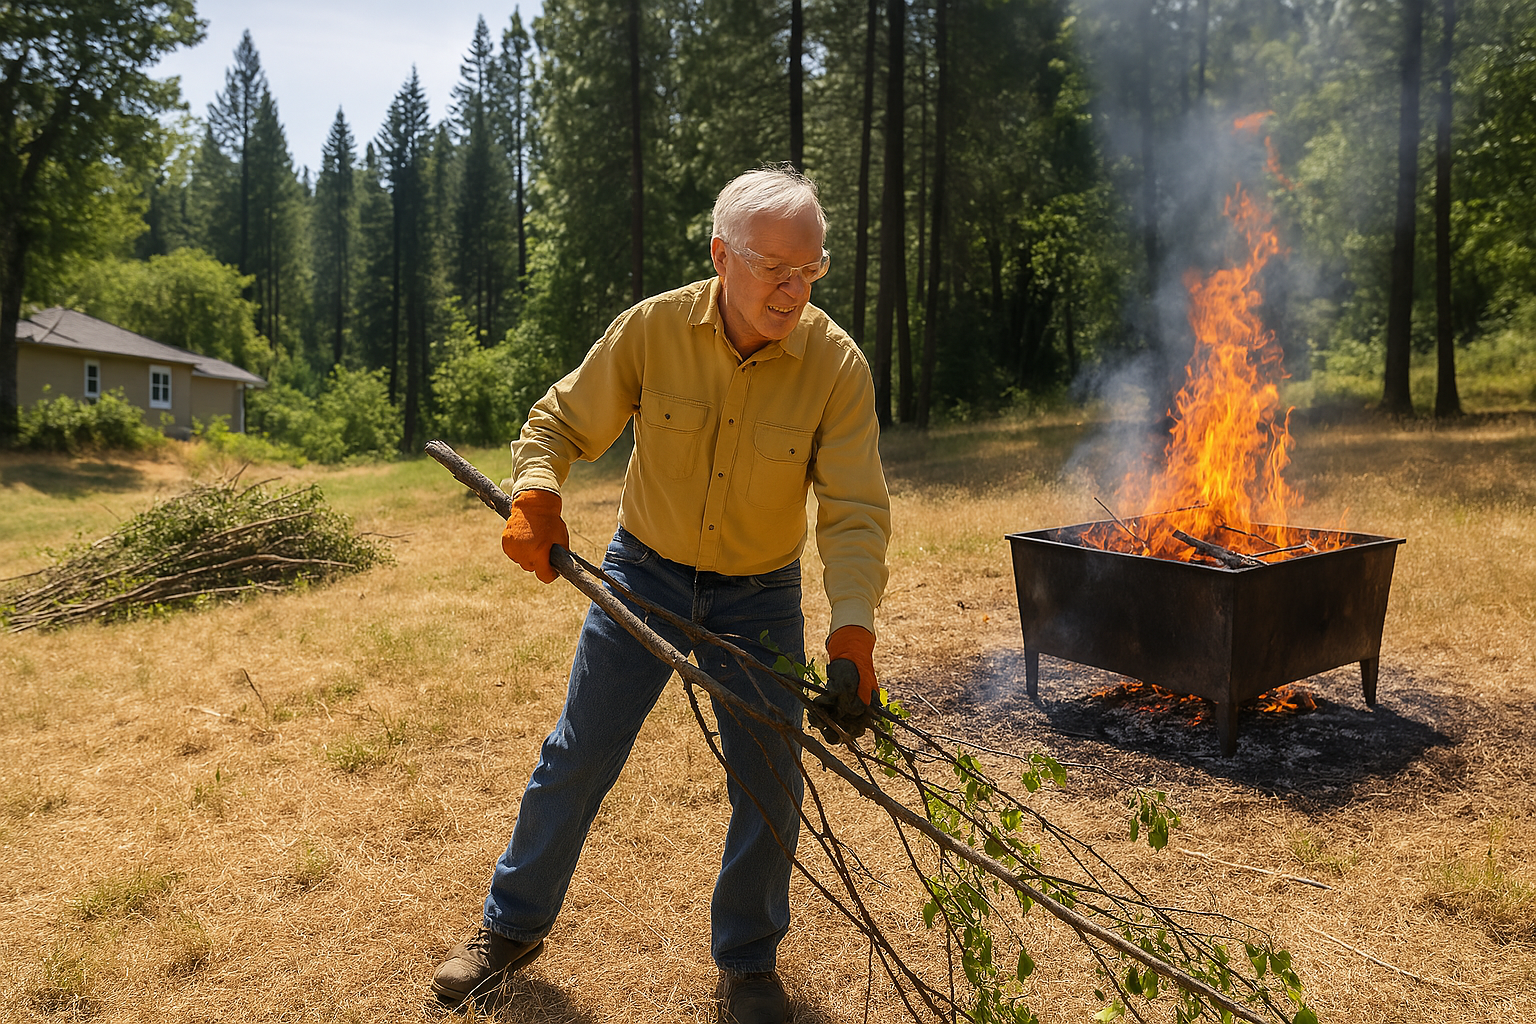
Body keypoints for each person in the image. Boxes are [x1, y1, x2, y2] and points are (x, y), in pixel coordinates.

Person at [431, 165, 891, 1024]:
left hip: (762, 598)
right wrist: (536, 493)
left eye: (812, 270)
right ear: (722, 254)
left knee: (770, 781)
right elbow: (560, 423)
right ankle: (509, 931)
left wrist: (852, 638)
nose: (794, 290)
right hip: (642, 578)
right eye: (775, 268)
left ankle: (749, 964)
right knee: (577, 755)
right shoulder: (651, 331)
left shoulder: (835, 366)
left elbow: (856, 513)